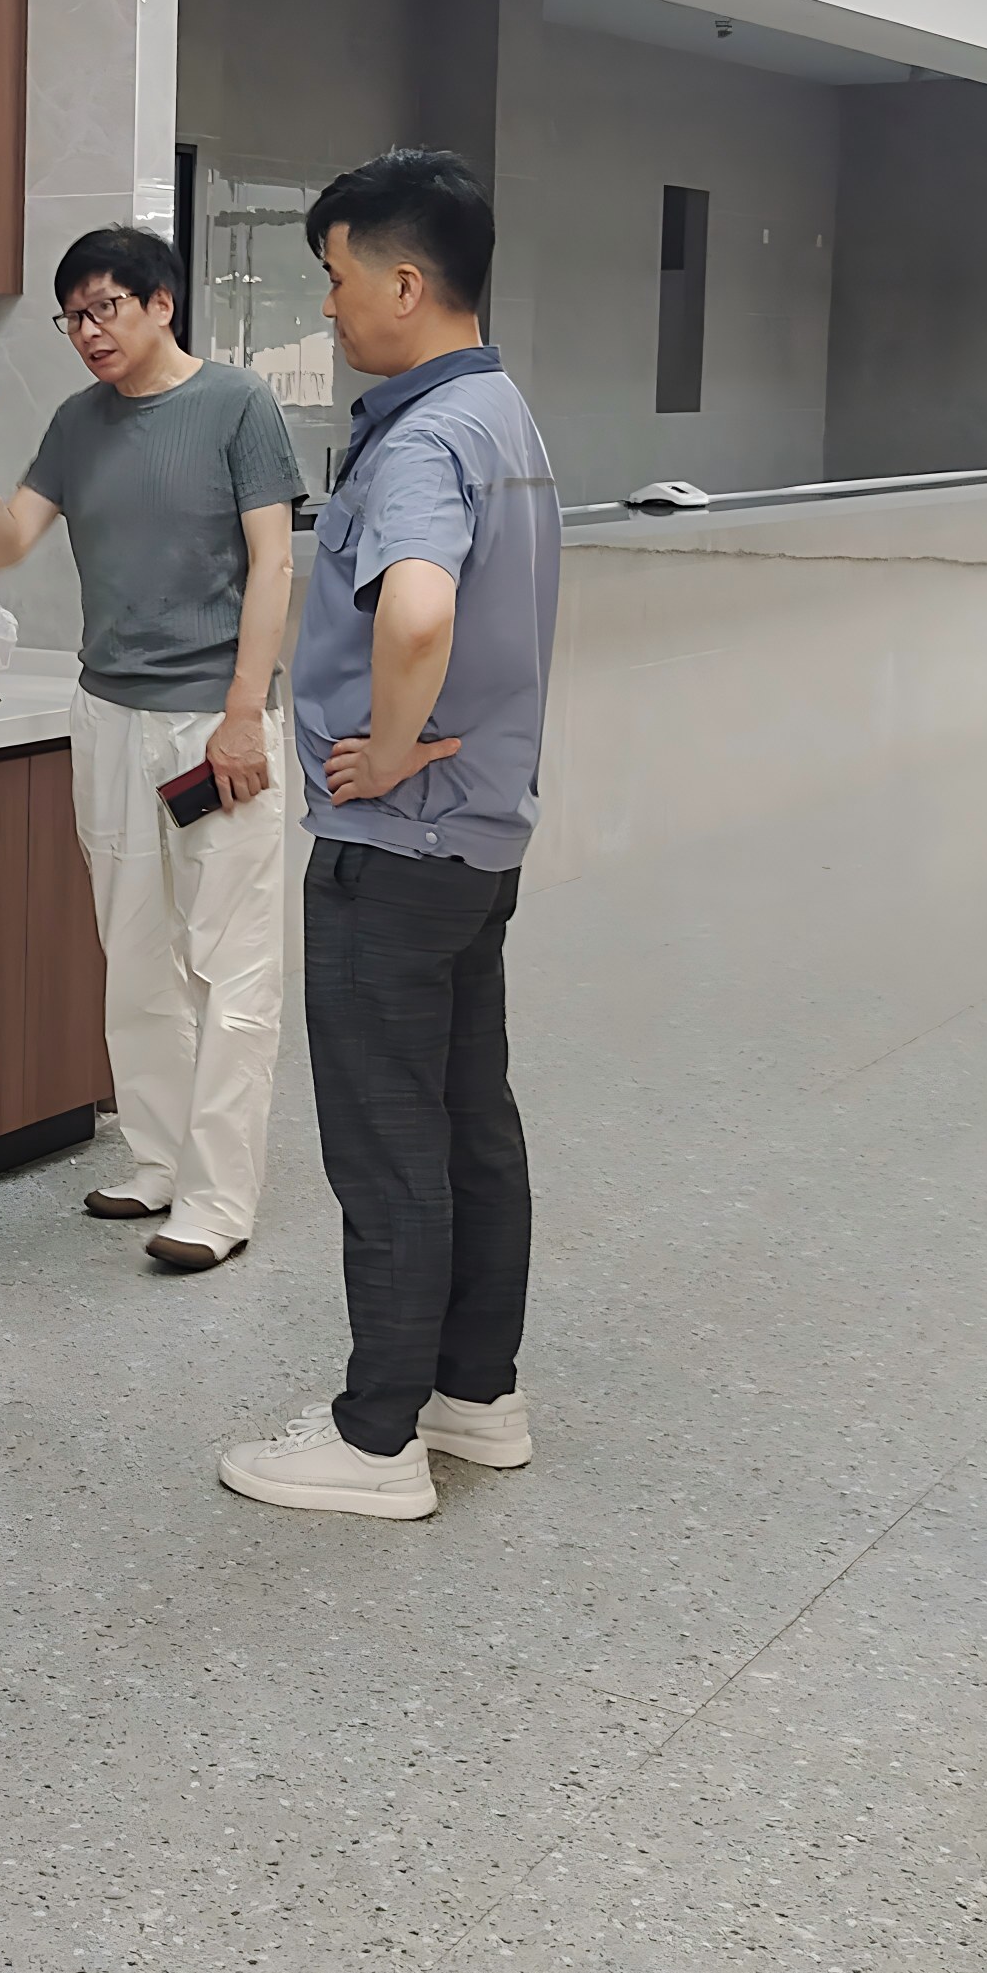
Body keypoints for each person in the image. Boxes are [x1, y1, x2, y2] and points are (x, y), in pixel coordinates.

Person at [220, 148, 560, 1522]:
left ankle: (375, 1441)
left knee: (385, 1140)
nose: (329, 305)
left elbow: (417, 611)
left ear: (405, 283)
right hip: (479, 843)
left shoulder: (420, 439)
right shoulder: (501, 412)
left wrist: (394, 742)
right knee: (471, 1122)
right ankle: (476, 1395)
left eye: (336, 276)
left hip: (399, 845)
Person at [0, 227, 304, 1272]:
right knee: (134, 950)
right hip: (108, 716)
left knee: (230, 961)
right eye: (73, 318)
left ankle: (218, 1200)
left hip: (214, 719)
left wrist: (245, 711)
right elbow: (7, 543)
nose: (88, 333)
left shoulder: (237, 405)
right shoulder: (77, 423)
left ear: (160, 304)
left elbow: (273, 565)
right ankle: (157, 1158)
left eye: (104, 308)